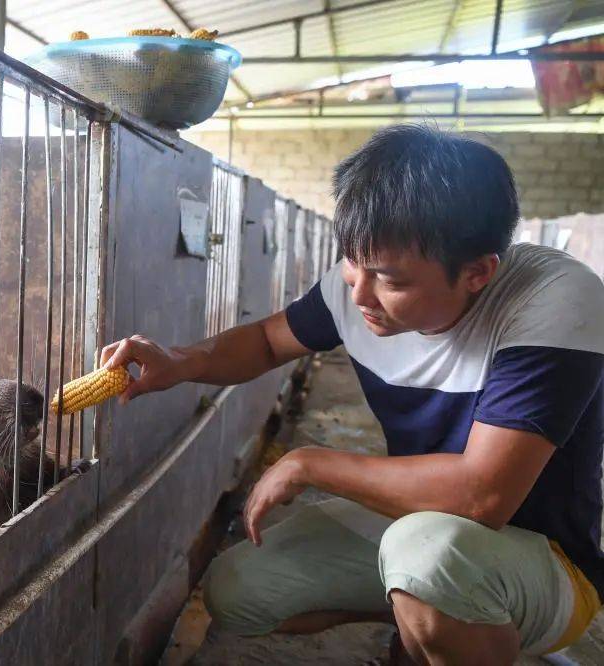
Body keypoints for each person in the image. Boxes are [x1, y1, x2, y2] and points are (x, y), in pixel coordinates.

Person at [99, 125, 604, 665]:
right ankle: (424, 618)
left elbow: (481, 497)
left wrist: (311, 464)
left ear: (478, 272)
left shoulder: (552, 300)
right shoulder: (360, 287)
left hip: (542, 557)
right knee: (238, 591)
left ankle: (447, 622)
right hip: (419, 529)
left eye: (391, 280)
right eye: (352, 262)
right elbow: (268, 342)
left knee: (428, 562)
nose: (360, 293)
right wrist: (182, 361)